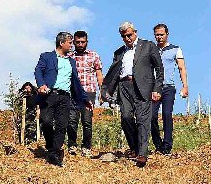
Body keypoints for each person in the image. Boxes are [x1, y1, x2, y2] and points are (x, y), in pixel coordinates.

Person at [101, 21, 163, 168]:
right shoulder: (119, 52)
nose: (127, 38)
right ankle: (134, 148)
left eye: (129, 35)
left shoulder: (148, 46)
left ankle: (142, 153)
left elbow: (159, 69)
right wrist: (106, 92)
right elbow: (113, 74)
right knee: (126, 117)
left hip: (143, 87)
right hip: (124, 87)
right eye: (124, 36)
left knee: (143, 120)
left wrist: (157, 89)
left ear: (135, 32)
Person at [34, 32, 87, 166]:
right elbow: (38, 71)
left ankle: (54, 153)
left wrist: (85, 98)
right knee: (46, 122)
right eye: (70, 43)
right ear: (61, 43)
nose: (72, 45)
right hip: (49, 95)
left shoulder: (71, 61)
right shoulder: (46, 56)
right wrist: (41, 84)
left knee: (62, 125)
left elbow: (76, 82)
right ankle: (51, 145)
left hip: (65, 97)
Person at [150, 24, 188, 155]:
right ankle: (158, 144)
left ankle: (167, 145)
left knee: (167, 114)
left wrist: (185, 86)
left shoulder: (175, 49)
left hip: (168, 87)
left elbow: (181, 68)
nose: (159, 37)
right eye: (157, 35)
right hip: (154, 89)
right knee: (151, 116)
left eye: (161, 34)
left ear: (167, 34)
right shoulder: (151, 49)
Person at [67, 30, 104, 156]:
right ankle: (72, 145)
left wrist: (102, 91)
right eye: (78, 42)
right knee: (72, 120)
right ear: (74, 42)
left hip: (89, 92)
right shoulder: (69, 56)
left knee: (87, 121)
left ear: (87, 42)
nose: (80, 44)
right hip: (73, 92)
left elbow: (99, 74)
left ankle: (86, 147)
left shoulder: (94, 55)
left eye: (83, 42)